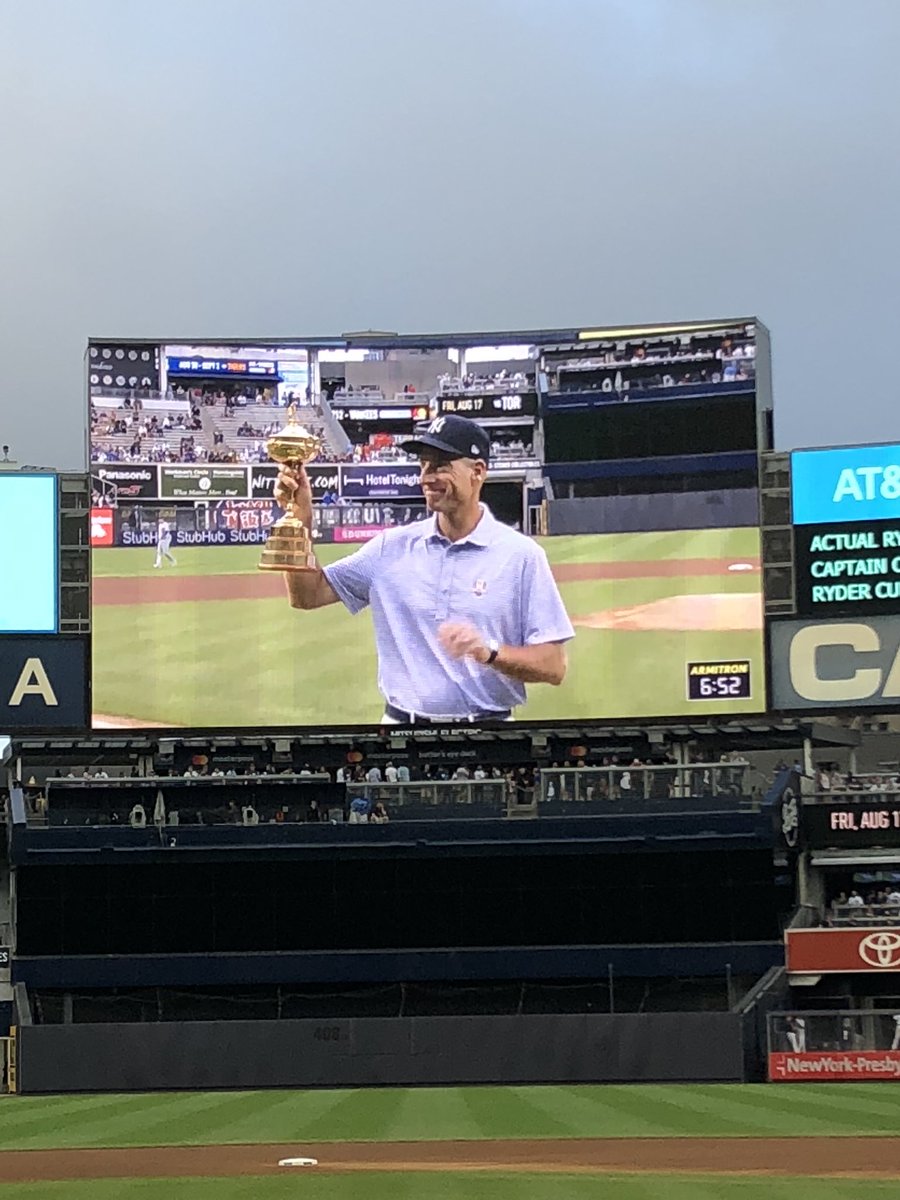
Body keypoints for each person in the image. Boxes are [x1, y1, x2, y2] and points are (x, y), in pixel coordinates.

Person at [274, 414, 574, 722]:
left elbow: (553, 666)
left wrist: (489, 651)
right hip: (401, 732)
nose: (427, 477)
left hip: (489, 732)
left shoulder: (521, 556)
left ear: (478, 472)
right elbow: (307, 595)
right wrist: (301, 520)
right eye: (424, 465)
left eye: (441, 465)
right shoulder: (389, 548)